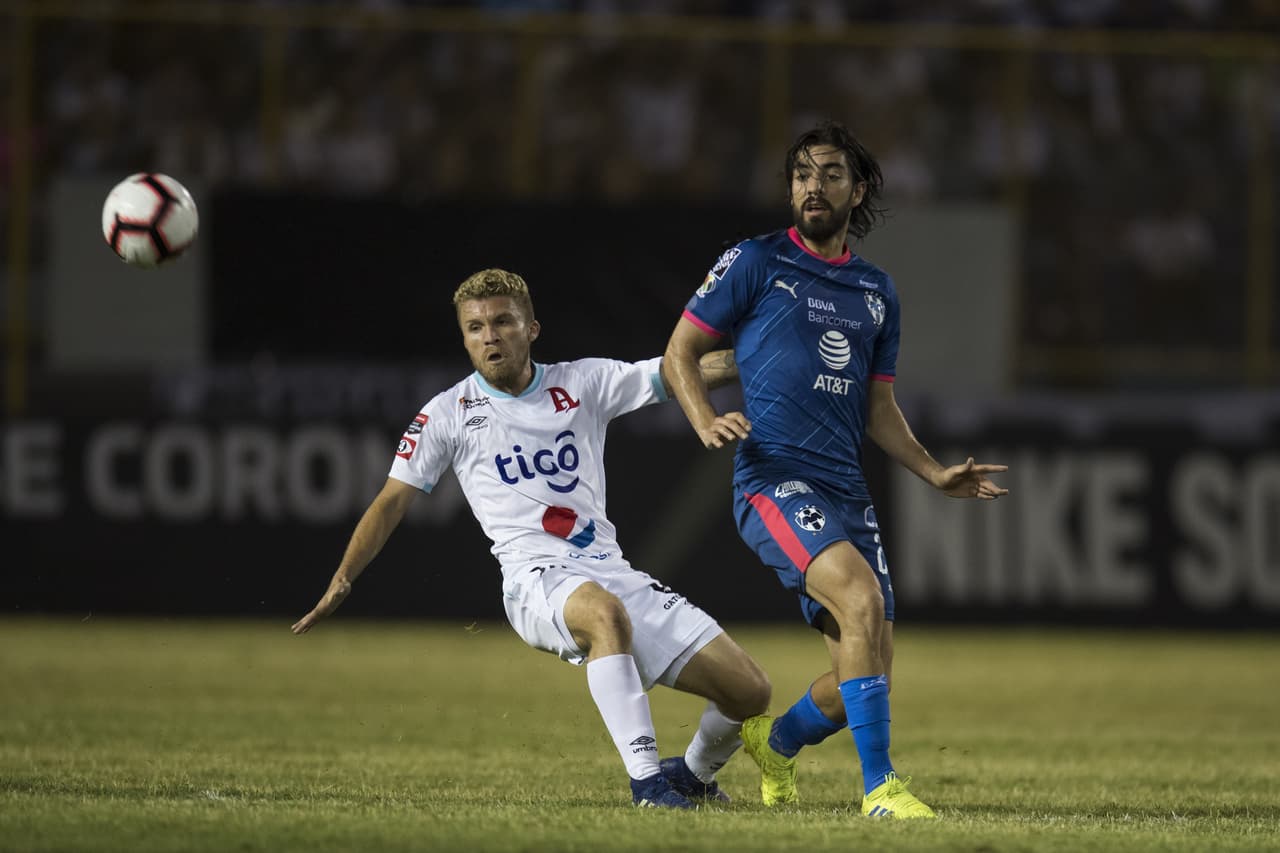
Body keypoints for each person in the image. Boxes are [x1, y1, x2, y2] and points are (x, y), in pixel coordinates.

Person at [293, 268, 770, 810]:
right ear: (465, 338)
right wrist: (343, 577)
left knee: (750, 692)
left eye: (502, 322)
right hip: (533, 580)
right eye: (474, 328)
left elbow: (680, 368)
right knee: (604, 616)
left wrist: (764, 350)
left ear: (532, 328)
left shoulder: (583, 383)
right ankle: (648, 787)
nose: (489, 336)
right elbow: (390, 501)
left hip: (608, 568)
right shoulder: (447, 414)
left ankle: (689, 776)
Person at [662, 120, 1009, 819]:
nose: (812, 186)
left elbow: (879, 407)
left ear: (860, 189)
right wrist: (703, 416)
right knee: (860, 601)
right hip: (773, 478)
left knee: (865, 667)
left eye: (828, 174)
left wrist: (933, 472)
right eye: (801, 174)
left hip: (844, 489)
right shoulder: (755, 261)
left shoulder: (877, 291)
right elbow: (681, 353)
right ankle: (881, 789)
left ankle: (778, 744)